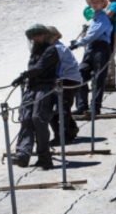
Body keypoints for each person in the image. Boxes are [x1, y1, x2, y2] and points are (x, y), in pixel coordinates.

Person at [12, 24, 58, 169]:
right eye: (33, 35)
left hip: (45, 87)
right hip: (31, 87)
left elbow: (39, 68)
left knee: (38, 119)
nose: (36, 37)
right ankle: (23, 155)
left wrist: (22, 76)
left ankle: (44, 157)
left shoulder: (51, 50)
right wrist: (25, 78)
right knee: (25, 118)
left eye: (39, 34)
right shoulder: (35, 51)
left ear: (45, 36)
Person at [71, 0, 113, 116]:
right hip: (92, 48)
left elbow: (94, 34)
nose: (94, 4)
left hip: (101, 48)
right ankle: (82, 106)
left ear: (102, 4)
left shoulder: (103, 18)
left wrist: (78, 44)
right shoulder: (95, 18)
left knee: (98, 78)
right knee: (80, 74)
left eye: (97, 2)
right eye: (92, 2)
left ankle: (94, 107)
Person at [46, 26, 81, 147]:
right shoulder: (54, 47)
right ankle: (71, 129)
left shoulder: (57, 48)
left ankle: (61, 136)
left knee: (62, 108)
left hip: (67, 79)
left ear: (55, 35)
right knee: (58, 107)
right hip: (67, 79)